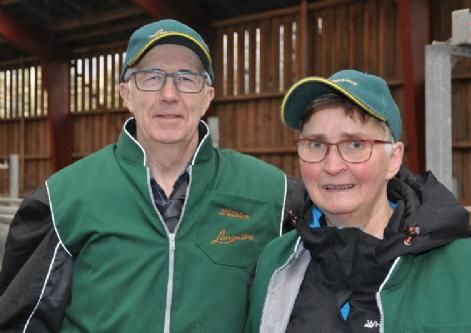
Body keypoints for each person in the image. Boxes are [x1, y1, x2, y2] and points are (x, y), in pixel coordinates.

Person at [0, 19, 303, 333]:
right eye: (151, 77)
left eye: (186, 78)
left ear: (207, 96)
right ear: (126, 94)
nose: (169, 93)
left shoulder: (273, 195)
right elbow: (22, 322)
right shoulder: (64, 199)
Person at [245, 69, 471, 333]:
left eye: (355, 144)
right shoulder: (275, 264)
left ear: (393, 159)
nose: (332, 166)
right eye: (316, 144)